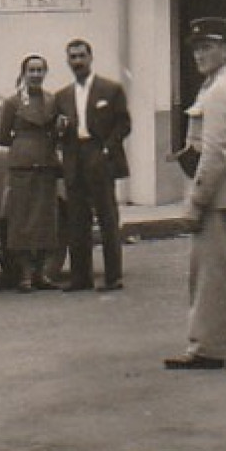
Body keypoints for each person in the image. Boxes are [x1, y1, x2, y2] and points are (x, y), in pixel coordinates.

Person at [164, 17, 226, 370]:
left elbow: (215, 153)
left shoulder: (221, 90)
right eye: (196, 48)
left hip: (222, 189)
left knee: (210, 271)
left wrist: (196, 201)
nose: (199, 55)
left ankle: (206, 347)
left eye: (207, 47)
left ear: (225, 48)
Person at [55, 39, 132, 292]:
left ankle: (113, 276)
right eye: (73, 57)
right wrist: (62, 130)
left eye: (81, 56)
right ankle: (81, 277)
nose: (77, 62)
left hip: (100, 154)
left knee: (107, 217)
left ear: (91, 58)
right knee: (77, 219)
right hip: (74, 157)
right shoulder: (62, 95)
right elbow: (60, 129)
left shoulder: (110, 90)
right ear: (67, 61)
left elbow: (124, 124)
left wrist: (107, 149)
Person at [0, 54, 63, 293]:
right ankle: (24, 274)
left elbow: (56, 132)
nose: (35, 75)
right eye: (31, 70)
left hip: (46, 163)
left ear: (45, 73)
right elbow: (2, 137)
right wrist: (24, 145)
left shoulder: (52, 101)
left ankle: (41, 273)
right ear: (23, 74)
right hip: (22, 166)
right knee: (22, 220)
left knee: (46, 219)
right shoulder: (12, 103)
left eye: (39, 70)